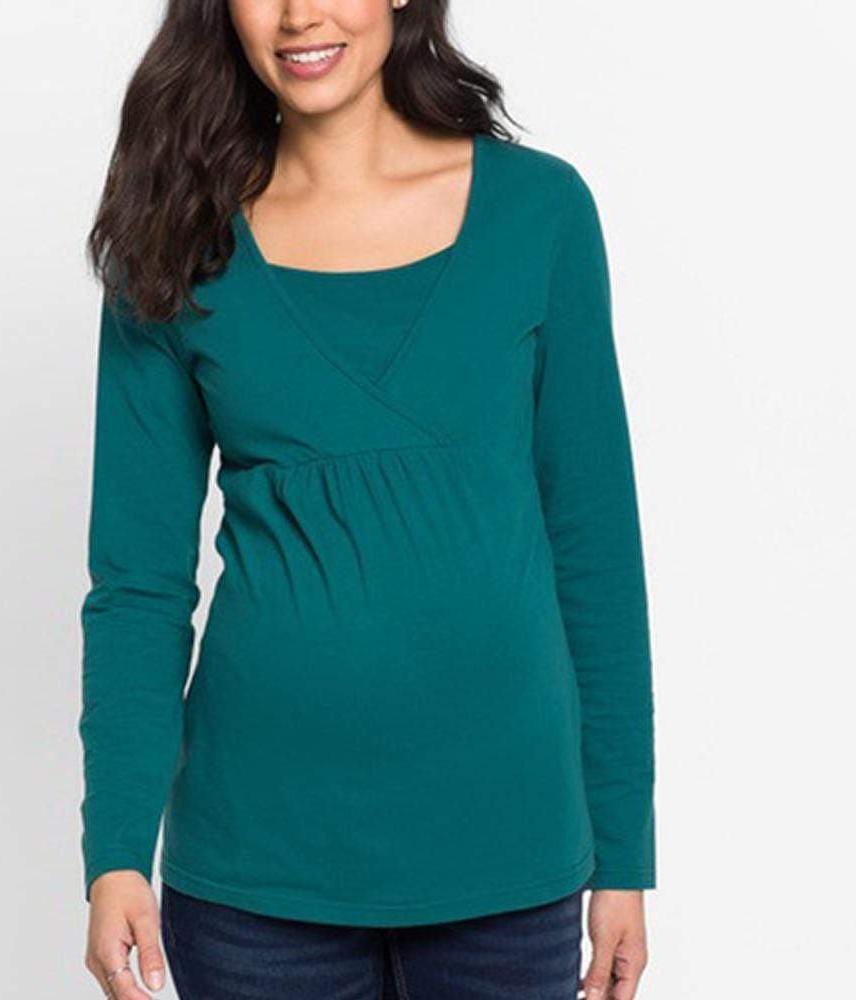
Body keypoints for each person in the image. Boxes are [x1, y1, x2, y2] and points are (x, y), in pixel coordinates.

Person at [78, 1, 657, 998]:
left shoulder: (539, 212)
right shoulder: (173, 237)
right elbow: (138, 585)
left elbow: (595, 550)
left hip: (507, 853)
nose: (300, 14)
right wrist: (117, 850)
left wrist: (624, 854)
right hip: (256, 875)